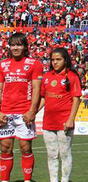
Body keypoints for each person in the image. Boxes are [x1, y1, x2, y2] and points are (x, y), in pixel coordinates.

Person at [0, 33, 43, 182]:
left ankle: (27, 180)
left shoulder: (34, 64)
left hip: (24, 113)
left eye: (19, 45)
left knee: (25, 148)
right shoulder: (3, 64)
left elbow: (37, 89)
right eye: (13, 45)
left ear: (25, 47)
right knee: (5, 148)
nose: (15, 48)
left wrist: (32, 110)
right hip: (5, 113)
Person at [40, 48, 82, 182]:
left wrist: (71, 119)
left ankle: (65, 180)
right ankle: (53, 180)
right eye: (52, 60)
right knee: (52, 154)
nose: (55, 62)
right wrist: (32, 112)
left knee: (64, 153)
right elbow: (43, 98)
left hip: (64, 122)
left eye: (58, 59)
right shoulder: (46, 77)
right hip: (48, 122)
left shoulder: (72, 76)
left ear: (65, 60)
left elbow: (76, 99)